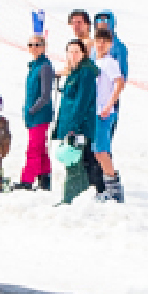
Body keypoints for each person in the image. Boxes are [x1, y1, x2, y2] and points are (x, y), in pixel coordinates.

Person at [51, 37, 99, 204]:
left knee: (73, 161)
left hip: (79, 127)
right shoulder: (76, 71)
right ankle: (79, 197)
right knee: (74, 162)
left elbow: (81, 102)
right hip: (71, 124)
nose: (73, 55)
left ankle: (70, 199)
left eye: (76, 51)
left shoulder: (85, 72)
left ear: (83, 53)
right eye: (70, 52)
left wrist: (73, 128)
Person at [90, 26, 126, 202]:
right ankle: (107, 187)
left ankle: (114, 190)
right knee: (97, 152)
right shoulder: (95, 61)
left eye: (105, 42)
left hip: (104, 113)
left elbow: (119, 83)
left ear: (110, 44)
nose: (101, 45)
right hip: (94, 113)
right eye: (99, 41)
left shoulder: (110, 62)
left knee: (102, 151)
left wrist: (109, 104)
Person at [15, 33, 55, 190]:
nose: (34, 48)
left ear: (44, 47)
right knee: (41, 148)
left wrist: (32, 109)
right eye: (31, 45)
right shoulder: (34, 65)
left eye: (37, 45)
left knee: (33, 148)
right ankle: (45, 178)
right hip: (34, 114)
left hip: (39, 114)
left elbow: (45, 95)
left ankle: (27, 180)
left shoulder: (44, 66)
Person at [93, 10, 129, 140]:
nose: (102, 23)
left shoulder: (119, 47)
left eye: (106, 20)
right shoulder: (94, 45)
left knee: (104, 144)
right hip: (94, 101)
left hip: (109, 99)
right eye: (99, 20)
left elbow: (121, 78)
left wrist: (110, 103)